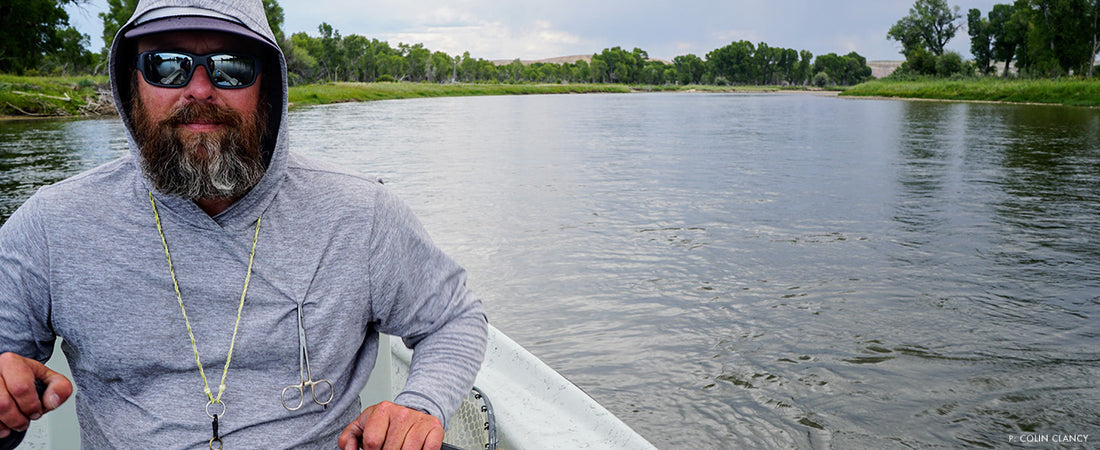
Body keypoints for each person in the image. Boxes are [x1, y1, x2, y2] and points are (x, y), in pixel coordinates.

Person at [0, 0, 488, 448]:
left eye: (231, 67)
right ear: (132, 84)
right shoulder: (50, 226)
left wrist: (419, 406)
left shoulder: (360, 213)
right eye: (165, 65)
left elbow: (452, 318)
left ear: (268, 86)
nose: (198, 88)